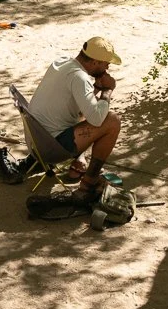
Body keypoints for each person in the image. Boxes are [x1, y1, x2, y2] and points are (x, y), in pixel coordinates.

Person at [28, 36, 122, 193]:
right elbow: (97, 119)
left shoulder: (62, 61)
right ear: (95, 62)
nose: (107, 68)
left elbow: (79, 106)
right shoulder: (80, 78)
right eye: (106, 63)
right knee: (112, 120)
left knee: (87, 110)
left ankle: (79, 160)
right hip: (51, 149)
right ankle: (90, 181)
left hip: (36, 142)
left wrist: (96, 90)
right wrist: (107, 90)